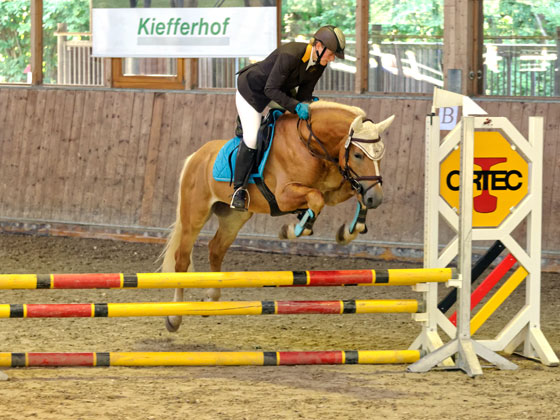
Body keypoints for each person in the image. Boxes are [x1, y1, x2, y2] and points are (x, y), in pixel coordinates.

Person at [230, 25, 346, 211]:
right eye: (331, 54)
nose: (332, 59)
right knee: (251, 138)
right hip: (252, 91)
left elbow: (304, 94)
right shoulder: (290, 55)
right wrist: (296, 106)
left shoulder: (319, 64)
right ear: (318, 46)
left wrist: (309, 103)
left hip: (277, 92)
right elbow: (270, 89)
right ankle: (238, 190)